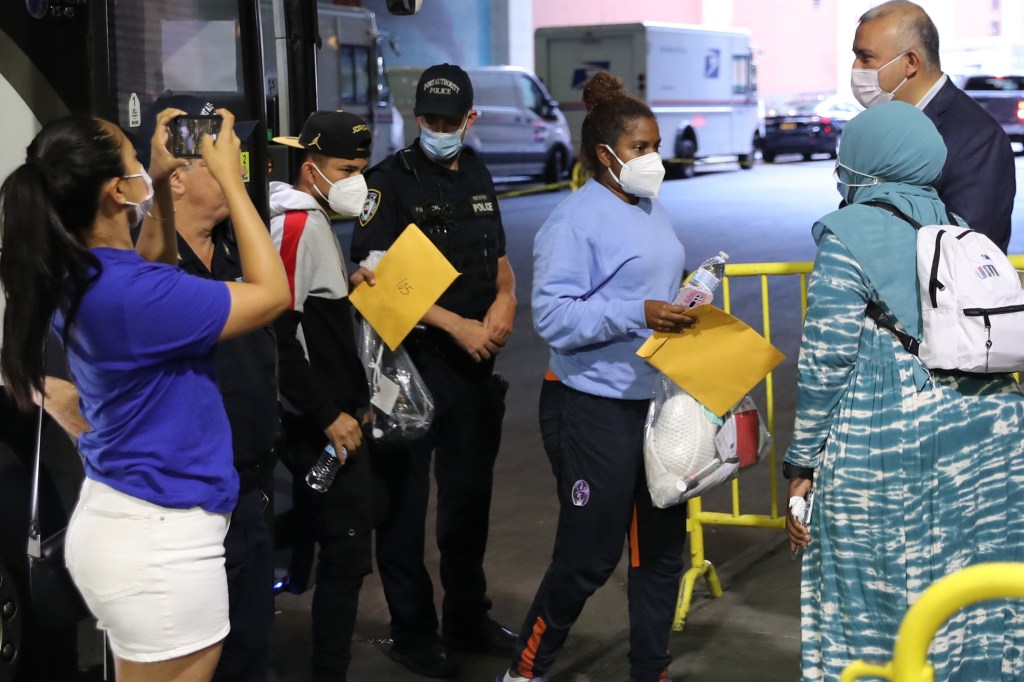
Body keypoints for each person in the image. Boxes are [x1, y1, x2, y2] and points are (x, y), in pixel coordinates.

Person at [0, 107, 289, 682]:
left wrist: (156, 183)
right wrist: (232, 177)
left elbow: (153, 262)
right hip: (163, 545)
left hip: (130, 524)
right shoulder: (129, 295)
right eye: (136, 158)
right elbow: (272, 294)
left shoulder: (87, 274)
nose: (145, 159)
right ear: (114, 192)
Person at [784, 101, 1024, 681]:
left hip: (890, 435)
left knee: (884, 589)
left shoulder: (850, 233)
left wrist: (802, 460)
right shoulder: (959, 230)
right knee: (975, 582)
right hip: (991, 432)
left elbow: (826, 358)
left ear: (864, 161)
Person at [498, 71, 693, 682]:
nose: (654, 158)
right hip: (591, 405)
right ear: (606, 154)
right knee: (588, 554)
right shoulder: (573, 221)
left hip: (653, 402)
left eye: (656, 146)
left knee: (661, 551)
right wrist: (638, 312)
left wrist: (684, 300)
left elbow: (649, 286)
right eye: (642, 148)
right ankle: (527, 669)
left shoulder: (650, 205)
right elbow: (554, 316)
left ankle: (650, 671)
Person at [350, 63, 517, 678]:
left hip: (473, 368)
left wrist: (506, 299)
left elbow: (497, 256)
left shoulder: (475, 168)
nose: (439, 129)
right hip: (409, 366)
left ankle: (466, 616)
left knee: (468, 501)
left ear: (470, 119)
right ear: (417, 117)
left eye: (451, 120)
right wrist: (459, 326)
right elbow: (375, 282)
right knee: (402, 505)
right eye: (430, 119)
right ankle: (412, 629)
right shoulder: (387, 184)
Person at [140, 94, 279, 682]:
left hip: (249, 490)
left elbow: (276, 303)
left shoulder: (233, 250)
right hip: (186, 503)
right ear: (174, 181)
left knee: (250, 650)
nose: (231, 166)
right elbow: (152, 262)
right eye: (213, 158)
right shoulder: (152, 268)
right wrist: (154, 176)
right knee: (195, 658)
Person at [268, 110, 376, 682]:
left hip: (335, 419)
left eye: (362, 167)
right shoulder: (294, 226)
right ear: (311, 170)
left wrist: (348, 284)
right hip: (322, 428)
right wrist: (328, 413)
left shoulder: (314, 223)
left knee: (341, 550)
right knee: (343, 554)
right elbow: (277, 331)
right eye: (346, 169)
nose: (357, 180)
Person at [850, 0, 1015, 251]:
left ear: (910, 62)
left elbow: (969, 249)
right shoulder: (879, 127)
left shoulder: (978, 137)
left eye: (866, 57)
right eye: (856, 56)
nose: (856, 67)